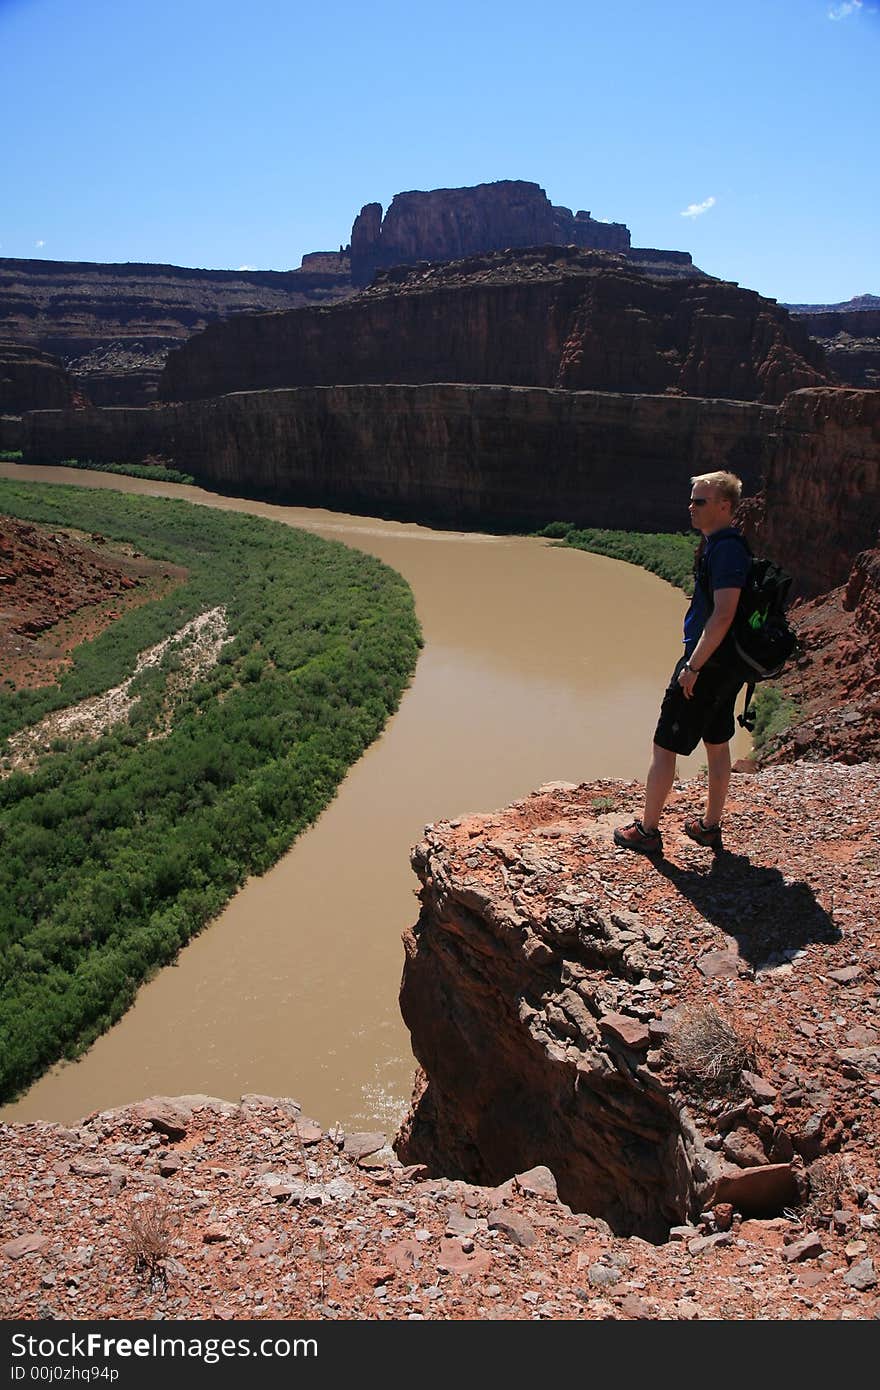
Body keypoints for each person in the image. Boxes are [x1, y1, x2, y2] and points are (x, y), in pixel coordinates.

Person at [613, 470, 750, 856]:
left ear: (724, 506)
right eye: (691, 499)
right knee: (718, 743)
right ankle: (709, 826)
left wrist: (692, 667)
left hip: (705, 663)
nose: (690, 506)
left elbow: (723, 614)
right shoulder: (724, 545)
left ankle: (648, 830)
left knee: (664, 746)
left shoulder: (725, 550)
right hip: (725, 665)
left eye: (699, 501)